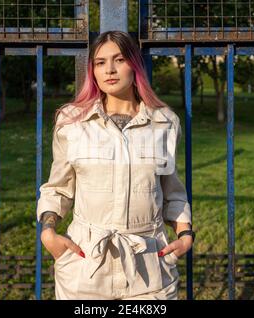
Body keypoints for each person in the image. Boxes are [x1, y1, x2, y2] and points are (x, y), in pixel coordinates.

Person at [36, 30, 194, 300]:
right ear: (93, 70)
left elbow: (173, 191)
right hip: (85, 266)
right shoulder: (72, 122)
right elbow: (58, 189)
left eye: (119, 59)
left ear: (134, 64)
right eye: (100, 62)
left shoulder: (164, 122)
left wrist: (185, 234)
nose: (109, 69)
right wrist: (48, 233)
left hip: (150, 265)